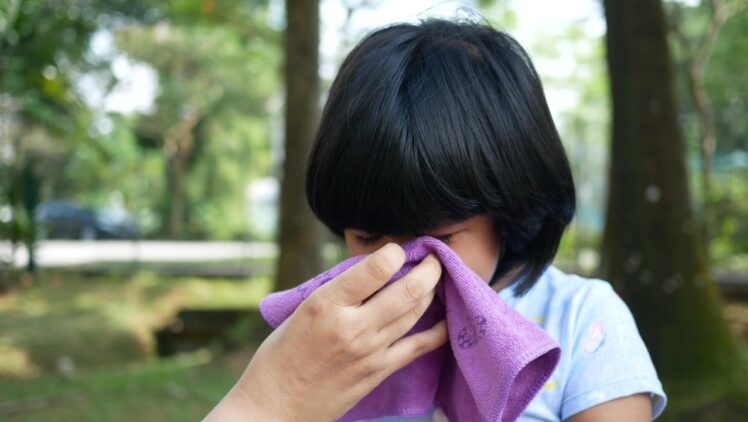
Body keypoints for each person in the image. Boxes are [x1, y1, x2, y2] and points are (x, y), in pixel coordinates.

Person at [205, 19, 666, 421]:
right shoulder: (334, 337)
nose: (401, 266)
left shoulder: (583, 321)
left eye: (439, 239)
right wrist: (277, 397)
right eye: (368, 236)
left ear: (509, 212)